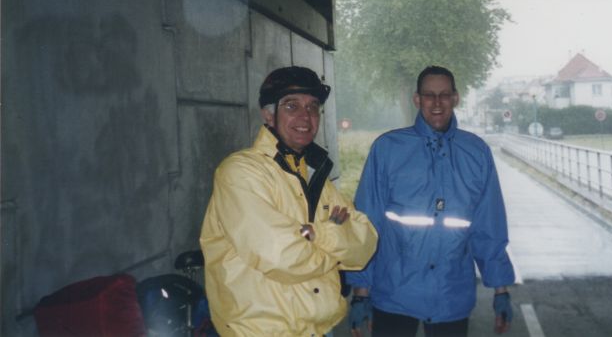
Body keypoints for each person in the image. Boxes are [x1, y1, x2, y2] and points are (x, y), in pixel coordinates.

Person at [200, 66, 378, 336]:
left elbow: (365, 244)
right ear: (268, 114)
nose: (305, 116)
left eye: (313, 107)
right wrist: (337, 240)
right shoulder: (240, 173)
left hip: (321, 330)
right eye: (291, 106)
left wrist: (316, 234)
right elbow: (284, 257)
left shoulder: (313, 176)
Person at [347, 66, 515, 337]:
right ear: (417, 99)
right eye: (429, 95)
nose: (437, 103)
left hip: (451, 297)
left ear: (456, 98)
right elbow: (367, 224)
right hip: (394, 296)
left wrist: (501, 289)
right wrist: (360, 292)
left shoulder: (476, 153)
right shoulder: (388, 149)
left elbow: (489, 226)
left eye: (444, 95)